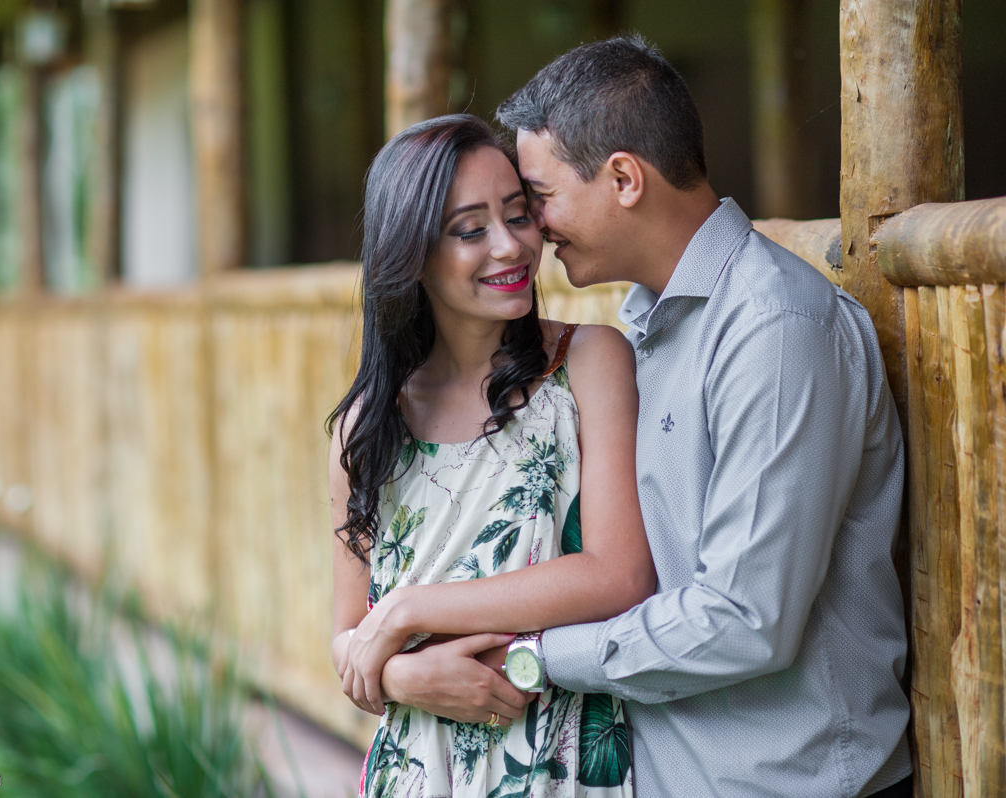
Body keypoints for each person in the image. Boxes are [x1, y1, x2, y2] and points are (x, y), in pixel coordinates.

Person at [370, 36, 913, 798]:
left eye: (538, 199)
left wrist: (531, 657)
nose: (534, 229)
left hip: (792, 783)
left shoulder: (776, 329)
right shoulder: (643, 338)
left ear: (623, 178)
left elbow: (744, 619)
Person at [327, 114, 657, 797]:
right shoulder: (368, 426)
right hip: (416, 771)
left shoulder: (590, 363)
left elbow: (619, 576)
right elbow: (346, 637)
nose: (510, 247)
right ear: (412, 253)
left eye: (518, 215)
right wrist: (402, 675)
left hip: (556, 764)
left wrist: (411, 611)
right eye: (470, 229)